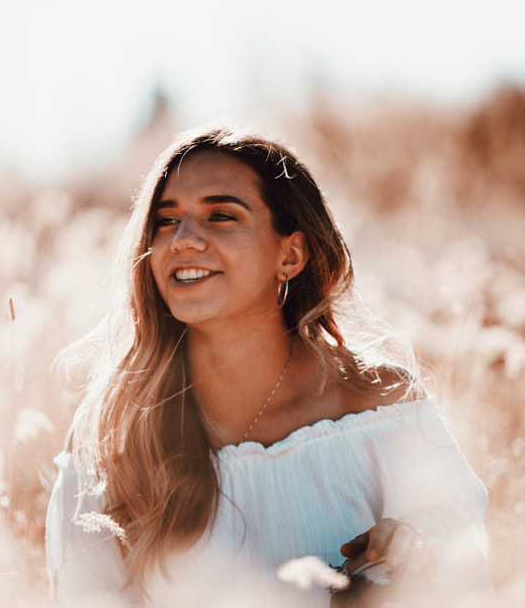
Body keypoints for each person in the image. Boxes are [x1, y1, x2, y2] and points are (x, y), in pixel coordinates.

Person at [45, 127, 494, 607]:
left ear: (291, 254)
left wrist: (414, 549)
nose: (183, 240)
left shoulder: (379, 404)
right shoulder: (115, 436)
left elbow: (466, 566)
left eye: (221, 216)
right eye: (166, 219)